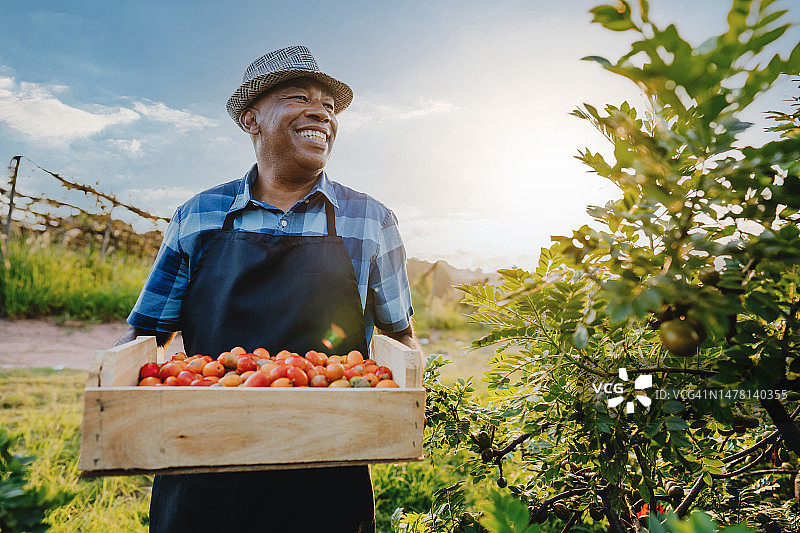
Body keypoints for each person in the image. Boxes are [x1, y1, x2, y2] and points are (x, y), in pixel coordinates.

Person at [116, 45, 416, 533]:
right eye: (299, 96)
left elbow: (400, 339)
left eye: (330, 106)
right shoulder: (199, 215)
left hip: (328, 463)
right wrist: (112, 394)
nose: (321, 111)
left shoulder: (370, 220)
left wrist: (402, 406)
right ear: (252, 120)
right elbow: (147, 335)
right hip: (207, 457)